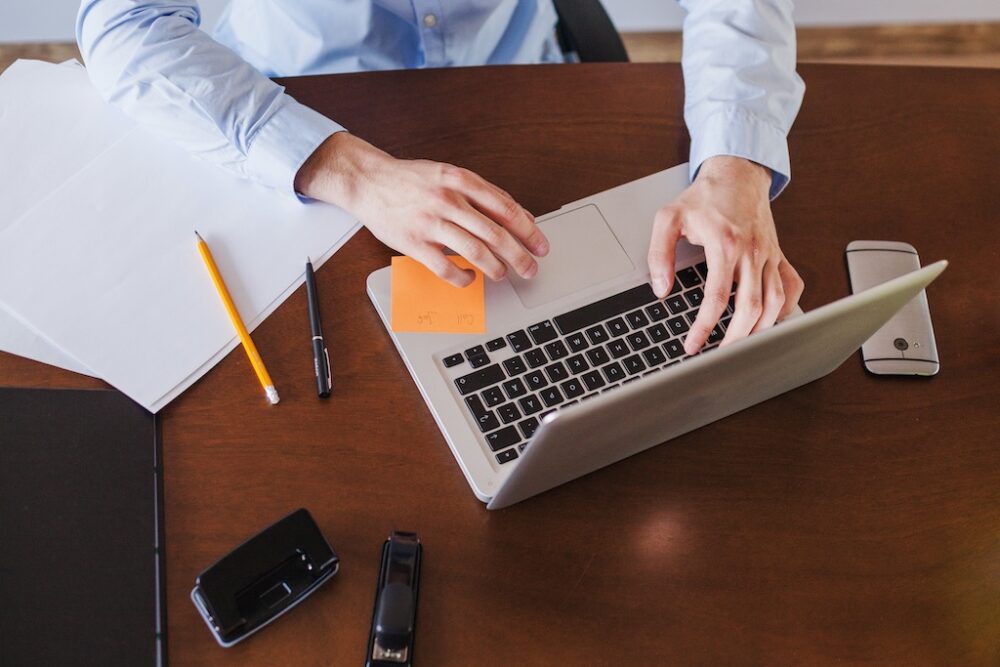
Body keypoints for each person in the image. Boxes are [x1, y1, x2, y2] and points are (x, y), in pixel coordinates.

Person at [77, 0, 805, 354]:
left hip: (522, 91)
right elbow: (123, 25)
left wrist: (737, 159)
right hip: (301, 134)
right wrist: (350, 171)